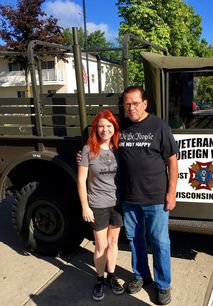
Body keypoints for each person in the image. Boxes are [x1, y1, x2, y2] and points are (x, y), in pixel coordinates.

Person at [119, 86, 178, 305]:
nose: (131, 107)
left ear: (145, 103)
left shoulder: (159, 126)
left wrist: (171, 193)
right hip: (130, 197)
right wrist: (83, 155)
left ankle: (163, 285)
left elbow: (172, 162)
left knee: (160, 242)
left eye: (135, 103)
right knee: (135, 240)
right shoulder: (120, 126)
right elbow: (102, 145)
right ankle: (141, 276)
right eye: (127, 103)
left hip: (155, 197)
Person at [77, 109, 124, 301]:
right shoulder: (88, 150)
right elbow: (81, 181)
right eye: (101, 126)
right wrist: (85, 206)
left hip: (118, 203)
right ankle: (100, 279)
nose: (105, 130)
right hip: (97, 203)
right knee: (100, 245)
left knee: (113, 243)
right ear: (96, 128)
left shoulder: (119, 148)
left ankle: (111, 277)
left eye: (109, 126)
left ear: (115, 128)